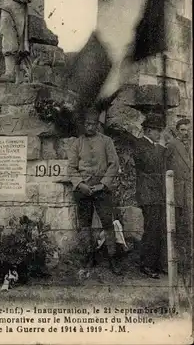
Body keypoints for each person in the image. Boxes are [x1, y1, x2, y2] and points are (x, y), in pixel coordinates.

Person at [67, 107, 122, 275]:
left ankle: (113, 259)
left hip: (102, 189)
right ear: (83, 125)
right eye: (87, 124)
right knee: (85, 225)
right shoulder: (77, 143)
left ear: (98, 124)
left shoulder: (106, 141)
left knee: (107, 222)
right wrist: (81, 184)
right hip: (83, 189)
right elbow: (71, 168)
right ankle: (88, 258)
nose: (89, 127)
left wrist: (102, 184)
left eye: (93, 124)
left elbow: (114, 164)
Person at [132, 114, 167, 278]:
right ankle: (146, 265)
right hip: (147, 193)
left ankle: (156, 264)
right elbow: (148, 165)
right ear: (147, 130)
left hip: (157, 194)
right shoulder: (140, 145)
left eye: (160, 130)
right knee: (151, 229)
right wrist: (161, 150)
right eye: (156, 130)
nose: (159, 134)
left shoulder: (157, 147)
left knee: (158, 229)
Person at [165, 118, 192, 276]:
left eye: (187, 129)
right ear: (177, 130)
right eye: (182, 129)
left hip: (188, 190)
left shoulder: (190, 144)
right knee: (177, 225)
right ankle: (176, 262)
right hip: (177, 190)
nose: (186, 132)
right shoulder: (173, 145)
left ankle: (187, 263)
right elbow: (165, 165)